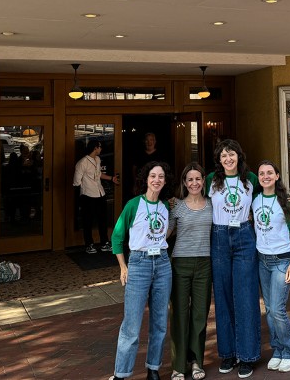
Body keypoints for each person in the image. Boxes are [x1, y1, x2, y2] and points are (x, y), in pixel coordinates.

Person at [109, 161, 172, 380]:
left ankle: (153, 368)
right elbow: (117, 236)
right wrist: (123, 266)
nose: (157, 180)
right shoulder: (133, 205)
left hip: (163, 264)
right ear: (146, 179)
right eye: (153, 176)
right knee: (132, 324)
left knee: (159, 322)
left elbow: (169, 229)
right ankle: (121, 373)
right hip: (139, 264)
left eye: (161, 177)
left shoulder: (166, 206)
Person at [206, 139, 260, 378]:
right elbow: (193, 201)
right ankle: (229, 353)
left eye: (232, 154)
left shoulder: (251, 180)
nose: (228, 159)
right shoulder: (211, 180)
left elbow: (271, 194)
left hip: (244, 237)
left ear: (239, 156)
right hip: (218, 239)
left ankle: (247, 355)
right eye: (223, 156)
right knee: (224, 295)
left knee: (246, 294)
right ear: (219, 160)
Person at [252, 161, 290, 374]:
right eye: (262, 173)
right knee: (270, 309)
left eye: (269, 173)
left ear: (277, 176)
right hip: (262, 260)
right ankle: (278, 349)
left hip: (282, 260)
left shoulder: (286, 202)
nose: (265, 176)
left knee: (278, 309)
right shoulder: (254, 201)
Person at [167, 163, 213, 380]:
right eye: (190, 180)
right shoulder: (176, 206)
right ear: (185, 183)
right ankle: (178, 365)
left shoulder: (213, 205)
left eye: (198, 179)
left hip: (205, 264)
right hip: (180, 264)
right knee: (179, 314)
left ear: (204, 181)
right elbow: (163, 233)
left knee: (199, 315)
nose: (194, 183)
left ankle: (196, 361)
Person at [74, 140, 119, 254]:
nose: (101, 149)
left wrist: (111, 178)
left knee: (102, 220)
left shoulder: (97, 159)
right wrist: (84, 190)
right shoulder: (82, 162)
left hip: (100, 193)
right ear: (95, 148)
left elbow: (98, 175)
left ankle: (104, 243)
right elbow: (76, 182)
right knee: (88, 221)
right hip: (88, 195)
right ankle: (89, 245)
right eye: (100, 147)